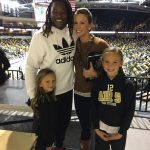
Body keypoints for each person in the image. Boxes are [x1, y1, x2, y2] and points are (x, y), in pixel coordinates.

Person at [25, 0, 75, 149]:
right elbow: (30, 67)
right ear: (49, 13)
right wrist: (34, 96)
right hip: (47, 94)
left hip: (66, 91)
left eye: (63, 12)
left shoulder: (72, 33)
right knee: (44, 131)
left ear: (68, 14)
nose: (59, 15)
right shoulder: (40, 36)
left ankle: (59, 146)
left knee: (62, 125)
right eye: (55, 12)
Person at [73, 8, 109, 150]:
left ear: (90, 25)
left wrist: (96, 74)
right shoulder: (73, 44)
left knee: (99, 128)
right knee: (85, 128)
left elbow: (113, 70)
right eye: (76, 23)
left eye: (82, 22)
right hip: (79, 94)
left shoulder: (101, 45)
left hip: (97, 95)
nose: (78, 26)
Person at [91, 47, 136, 150]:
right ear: (102, 62)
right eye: (107, 61)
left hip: (119, 132)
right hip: (101, 130)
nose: (110, 65)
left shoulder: (128, 85)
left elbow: (130, 111)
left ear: (121, 63)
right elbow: (93, 106)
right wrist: (96, 128)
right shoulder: (98, 82)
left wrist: (121, 132)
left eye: (115, 62)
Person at [31, 68, 57, 150]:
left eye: (53, 81)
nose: (51, 84)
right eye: (47, 81)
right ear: (40, 84)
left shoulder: (48, 96)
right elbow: (44, 124)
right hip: (42, 138)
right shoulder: (43, 101)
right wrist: (49, 142)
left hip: (44, 136)